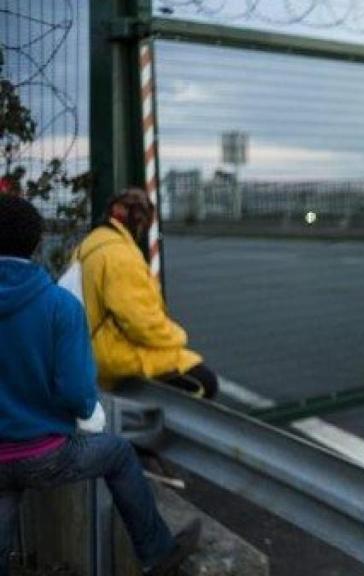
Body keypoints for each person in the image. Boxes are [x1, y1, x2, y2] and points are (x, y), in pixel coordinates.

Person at [0, 194, 200, 575]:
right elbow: (77, 393)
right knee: (119, 453)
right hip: (45, 454)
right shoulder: (59, 306)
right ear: (37, 243)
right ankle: (157, 554)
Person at [77, 188, 218, 398]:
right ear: (139, 222)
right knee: (204, 380)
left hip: (89, 346)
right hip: (112, 355)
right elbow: (141, 323)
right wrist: (178, 337)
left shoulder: (91, 244)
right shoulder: (122, 256)